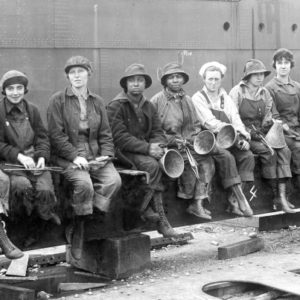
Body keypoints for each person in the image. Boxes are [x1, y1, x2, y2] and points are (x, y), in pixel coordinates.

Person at [47, 56, 122, 259]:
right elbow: (55, 135)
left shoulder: (97, 101)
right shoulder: (58, 100)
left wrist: (106, 155)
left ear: (89, 73)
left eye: (81, 71)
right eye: (72, 72)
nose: (77, 76)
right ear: (68, 77)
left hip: (95, 154)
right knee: (84, 185)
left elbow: (106, 133)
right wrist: (74, 156)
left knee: (114, 181)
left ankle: (88, 215)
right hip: (68, 155)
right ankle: (79, 227)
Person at [107, 63, 178, 237]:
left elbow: (157, 131)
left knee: (169, 165)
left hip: (146, 150)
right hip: (123, 152)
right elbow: (119, 137)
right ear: (126, 84)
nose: (136, 84)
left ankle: (149, 209)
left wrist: (159, 146)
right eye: (132, 81)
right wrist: (148, 148)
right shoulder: (116, 105)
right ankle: (155, 216)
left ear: (145, 84)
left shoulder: (148, 106)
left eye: (140, 80)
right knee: (152, 166)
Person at [0, 70, 61, 258]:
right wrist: (19, 157)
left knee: (45, 190)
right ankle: (19, 231)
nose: (15, 92)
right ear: (4, 91)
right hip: (11, 163)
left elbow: (42, 136)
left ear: (25, 89)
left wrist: (41, 156)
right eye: (10, 88)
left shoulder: (32, 109)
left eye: (19, 88)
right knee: (22, 187)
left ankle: (41, 225)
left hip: (34, 161)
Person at [150, 62, 215, 220]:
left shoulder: (188, 100)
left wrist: (194, 139)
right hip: (169, 147)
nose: (175, 80)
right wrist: (173, 140)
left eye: (178, 77)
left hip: (188, 144)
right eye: (171, 77)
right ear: (165, 81)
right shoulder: (156, 101)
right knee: (188, 165)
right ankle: (186, 201)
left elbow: (196, 125)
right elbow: (153, 131)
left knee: (207, 162)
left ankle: (197, 204)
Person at [229, 59, 294, 213]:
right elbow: (232, 118)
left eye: (261, 74)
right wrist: (246, 133)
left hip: (260, 133)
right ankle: (271, 194)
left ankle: (281, 197)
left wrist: (269, 123)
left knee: (285, 151)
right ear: (247, 77)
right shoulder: (237, 91)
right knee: (268, 152)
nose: (259, 78)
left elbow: (267, 115)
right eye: (255, 75)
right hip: (243, 135)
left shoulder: (265, 92)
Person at [192, 62, 254, 217]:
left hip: (229, 137)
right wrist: (233, 131)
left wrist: (242, 135)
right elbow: (211, 124)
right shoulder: (198, 98)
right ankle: (241, 199)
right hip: (209, 141)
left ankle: (233, 202)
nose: (213, 83)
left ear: (221, 80)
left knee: (248, 156)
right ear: (204, 79)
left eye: (216, 79)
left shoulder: (225, 97)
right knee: (227, 157)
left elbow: (235, 118)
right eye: (210, 79)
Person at [265, 48, 300, 191]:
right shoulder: (269, 88)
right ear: (275, 65)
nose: (284, 66)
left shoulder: (297, 87)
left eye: (286, 62)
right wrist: (288, 129)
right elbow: (274, 115)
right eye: (280, 63)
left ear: (291, 65)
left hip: (297, 129)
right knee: (298, 148)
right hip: (282, 132)